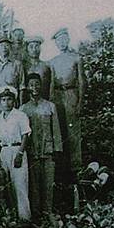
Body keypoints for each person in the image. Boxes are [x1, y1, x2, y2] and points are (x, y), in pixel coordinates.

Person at [20, 73, 62, 220]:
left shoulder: (50, 106)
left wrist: (57, 149)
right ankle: (37, 213)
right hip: (32, 151)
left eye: (37, 84)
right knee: (34, 184)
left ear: (41, 85)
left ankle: (48, 211)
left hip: (48, 150)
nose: (35, 87)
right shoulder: (23, 109)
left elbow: (56, 129)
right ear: (27, 87)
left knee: (49, 183)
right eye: (31, 84)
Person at [49, 28, 83, 178]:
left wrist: (80, 101)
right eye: (58, 40)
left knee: (73, 132)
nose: (61, 43)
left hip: (71, 93)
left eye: (63, 39)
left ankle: (76, 167)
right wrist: (51, 101)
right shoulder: (53, 61)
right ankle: (62, 169)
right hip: (57, 95)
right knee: (59, 131)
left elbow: (82, 81)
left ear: (68, 39)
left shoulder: (76, 58)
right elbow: (51, 83)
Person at [0, 86, 31, 221]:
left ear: (14, 101)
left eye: (9, 99)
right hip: (4, 151)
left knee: (20, 184)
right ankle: (11, 218)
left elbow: (25, 135)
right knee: (7, 184)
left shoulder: (20, 115)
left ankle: (25, 218)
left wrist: (20, 153)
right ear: (0, 102)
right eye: (3, 100)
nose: (6, 102)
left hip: (17, 150)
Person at [23, 36, 53, 100]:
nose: (34, 49)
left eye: (37, 46)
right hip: (27, 101)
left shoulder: (46, 66)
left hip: (44, 99)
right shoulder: (23, 66)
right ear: (27, 49)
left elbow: (51, 84)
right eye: (31, 47)